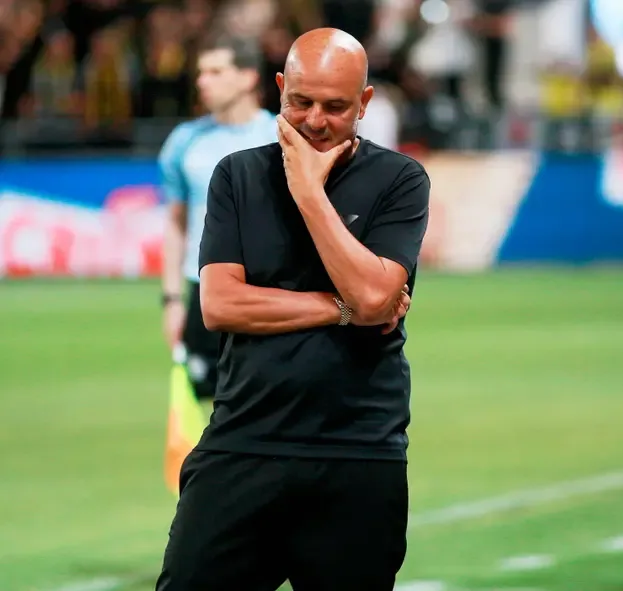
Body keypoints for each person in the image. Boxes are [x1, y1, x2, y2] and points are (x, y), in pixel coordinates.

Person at [155, 27, 430, 591]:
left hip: (358, 453)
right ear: (280, 87)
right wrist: (340, 308)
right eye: (300, 102)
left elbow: (375, 297)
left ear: (365, 103)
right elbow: (221, 304)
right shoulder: (237, 175)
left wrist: (309, 192)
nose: (314, 121)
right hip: (242, 443)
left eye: (336, 107)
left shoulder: (400, 180)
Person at [157, 30, 277, 494]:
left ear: (248, 77)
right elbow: (175, 223)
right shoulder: (184, 141)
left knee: (268, 407)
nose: (202, 81)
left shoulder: (280, 136)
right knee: (210, 414)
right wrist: (171, 299)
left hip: (265, 291)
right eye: (200, 72)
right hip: (202, 291)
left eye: (215, 71)